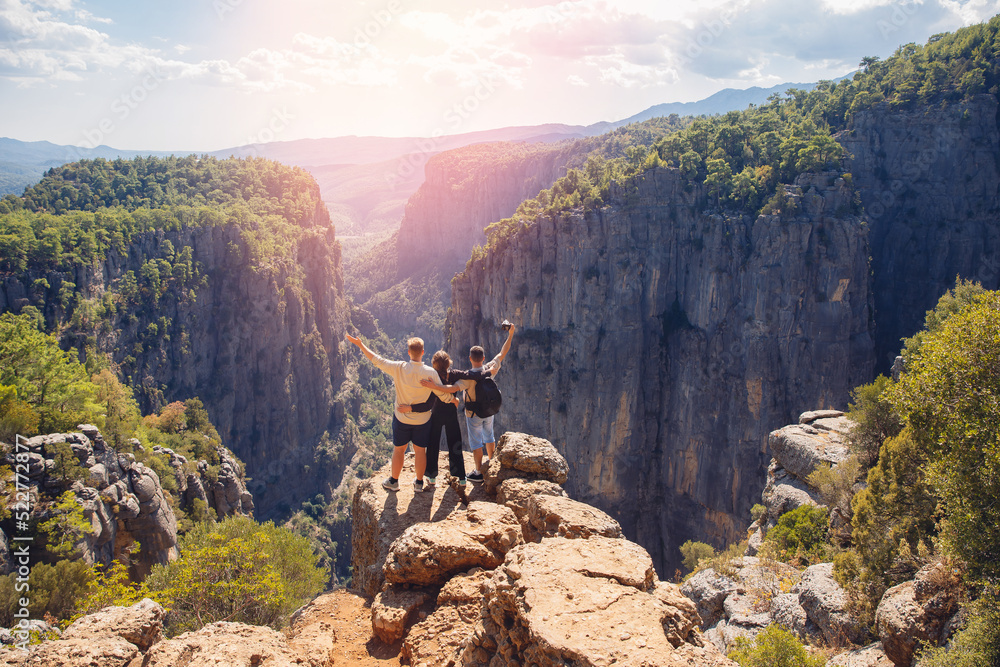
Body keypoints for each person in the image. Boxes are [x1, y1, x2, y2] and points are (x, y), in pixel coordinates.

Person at [344, 333, 454, 493]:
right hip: (422, 421)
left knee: (399, 449)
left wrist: (361, 345)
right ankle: (418, 483)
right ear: (423, 352)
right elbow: (445, 396)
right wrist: (439, 389)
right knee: (419, 451)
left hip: (401, 419)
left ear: (409, 352)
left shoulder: (399, 367)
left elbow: (376, 360)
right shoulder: (431, 373)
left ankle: (394, 481)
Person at [423, 324, 515, 482]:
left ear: (470, 359)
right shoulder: (490, 369)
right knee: (489, 436)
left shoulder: (466, 379)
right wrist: (511, 335)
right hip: (489, 410)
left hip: (473, 414)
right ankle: (491, 463)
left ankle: (478, 472)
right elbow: (502, 352)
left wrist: (434, 386)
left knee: (476, 441)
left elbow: (451, 388)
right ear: (483, 358)